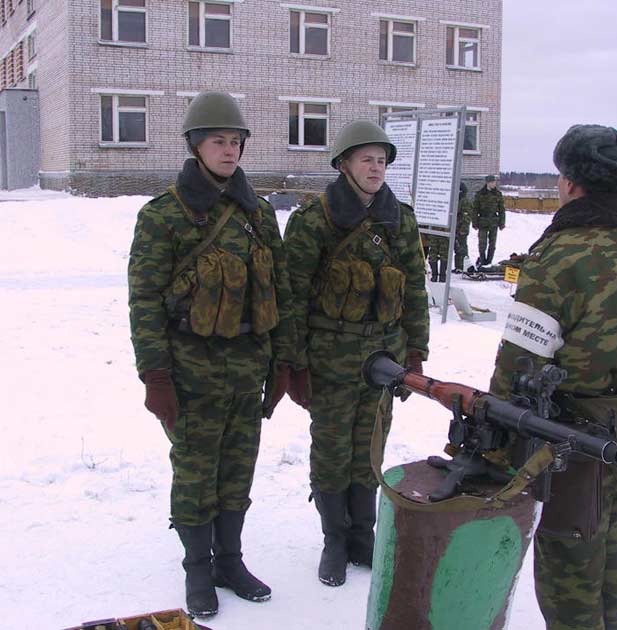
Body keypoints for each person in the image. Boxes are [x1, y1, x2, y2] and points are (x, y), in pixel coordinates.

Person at [489, 124, 617, 629]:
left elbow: (519, 370)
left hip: (570, 456)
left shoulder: (558, 259)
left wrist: (496, 452)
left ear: (571, 184)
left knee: (569, 589)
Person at [128, 91, 296, 617]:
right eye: (218, 141)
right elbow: (144, 300)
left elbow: (281, 291)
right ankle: (197, 570)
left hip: (249, 364)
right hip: (191, 368)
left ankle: (230, 561)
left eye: (236, 142)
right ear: (195, 146)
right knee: (196, 472)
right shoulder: (164, 215)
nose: (229, 150)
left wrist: (283, 362)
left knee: (238, 468)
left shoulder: (258, 214)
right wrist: (155, 375)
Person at [283, 120, 430, 587]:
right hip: (330, 356)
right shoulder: (314, 220)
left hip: (384, 357)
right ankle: (334, 540)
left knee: (370, 446)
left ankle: (362, 536)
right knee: (331, 449)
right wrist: (294, 363)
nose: (376, 167)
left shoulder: (399, 219)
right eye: (366, 159)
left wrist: (416, 351)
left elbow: (415, 287)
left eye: (382, 160)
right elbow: (292, 296)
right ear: (344, 164)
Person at [472, 174, 505, 265]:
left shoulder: (498, 194)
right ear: (488, 183)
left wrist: (502, 223)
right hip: (483, 221)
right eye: (492, 182)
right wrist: (474, 222)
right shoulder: (480, 194)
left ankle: (489, 262)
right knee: (482, 244)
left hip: (494, 222)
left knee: (492, 244)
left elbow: (502, 210)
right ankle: (483, 261)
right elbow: (475, 209)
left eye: (495, 182)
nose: (494, 184)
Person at [453, 181, 472, 272]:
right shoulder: (458, 200)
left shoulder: (464, 201)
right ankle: (458, 266)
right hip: (457, 227)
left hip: (461, 228)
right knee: (457, 247)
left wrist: (463, 229)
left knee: (462, 247)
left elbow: (466, 216)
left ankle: (464, 266)